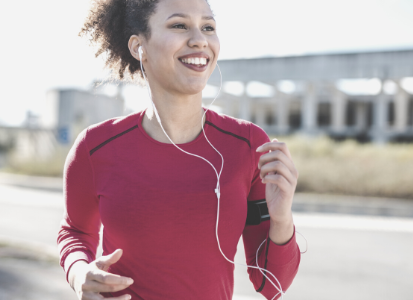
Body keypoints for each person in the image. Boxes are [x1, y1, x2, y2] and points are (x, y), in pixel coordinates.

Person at [57, 0, 301, 299]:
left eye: (208, 27)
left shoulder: (249, 145)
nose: (200, 39)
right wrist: (80, 272)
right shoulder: (95, 147)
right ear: (138, 47)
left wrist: (282, 219)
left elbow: (272, 284)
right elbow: (75, 232)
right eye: (179, 25)